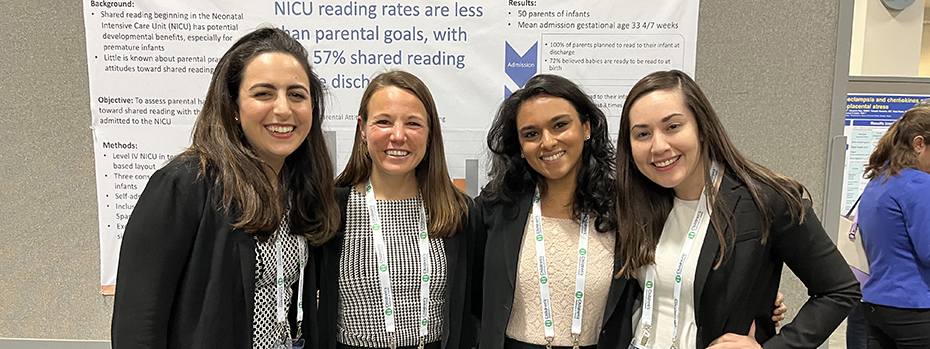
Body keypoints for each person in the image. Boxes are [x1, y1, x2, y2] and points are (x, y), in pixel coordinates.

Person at [111, 27, 339, 348]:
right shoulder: (183, 186)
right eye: (263, 93)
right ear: (233, 106)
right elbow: (137, 327)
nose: (284, 108)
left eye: (297, 94)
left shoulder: (300, 191)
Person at [615, 70, 860, 349]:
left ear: (702, 127)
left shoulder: (764, 200)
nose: (658, 146)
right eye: (643, 134)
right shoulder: (634, 205)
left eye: (673, 127)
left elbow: (840, 290)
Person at [315, 71, 481, 349]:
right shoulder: (330, 208)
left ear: (430, 134)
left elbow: (472, 311)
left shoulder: (459, 212)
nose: (398, 135)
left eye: (413, 123)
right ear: (363, 129)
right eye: (383, 122)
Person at [857, 105, 930, 348]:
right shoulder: (920, 184)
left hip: (877, 305)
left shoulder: (879, 180)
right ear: (919, 143)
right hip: (916, 307)